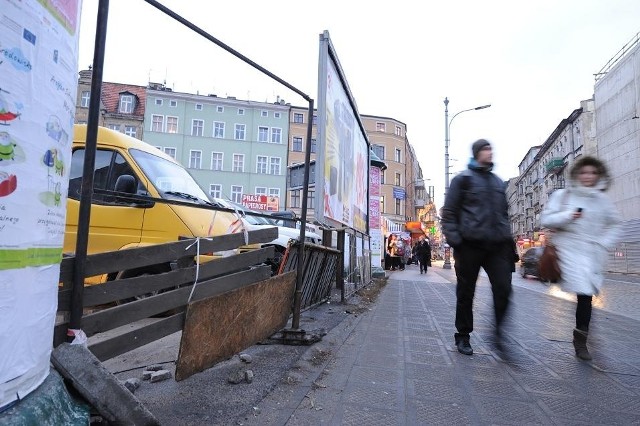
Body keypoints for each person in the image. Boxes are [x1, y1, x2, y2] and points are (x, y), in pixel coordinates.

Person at [540, 156, 620, 361]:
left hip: (591, 253)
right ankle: (583, 339)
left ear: (598, 175)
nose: (588, 177)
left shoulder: (601, 200)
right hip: (567, 251)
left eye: (593, 173)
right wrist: (568, 215)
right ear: (577, 174)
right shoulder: (562, 195)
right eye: (584, 172)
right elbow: (546, 219)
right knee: (584, 293)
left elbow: (615, 224)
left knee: (586, 297)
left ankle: (581, 337)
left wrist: (603, 242)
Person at [441, 139, 515, 355]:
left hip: (497, 247)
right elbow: (449, 213)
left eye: (491, 148)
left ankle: (498, 335)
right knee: (466, 292)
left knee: (504, 289)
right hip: (469, 246)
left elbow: (503, 215)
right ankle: (463, 336)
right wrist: (456, 240)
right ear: (476, 153)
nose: (489, 152)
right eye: (485, 149)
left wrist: (509, 244)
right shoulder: (462, 180)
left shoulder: (498, 182)